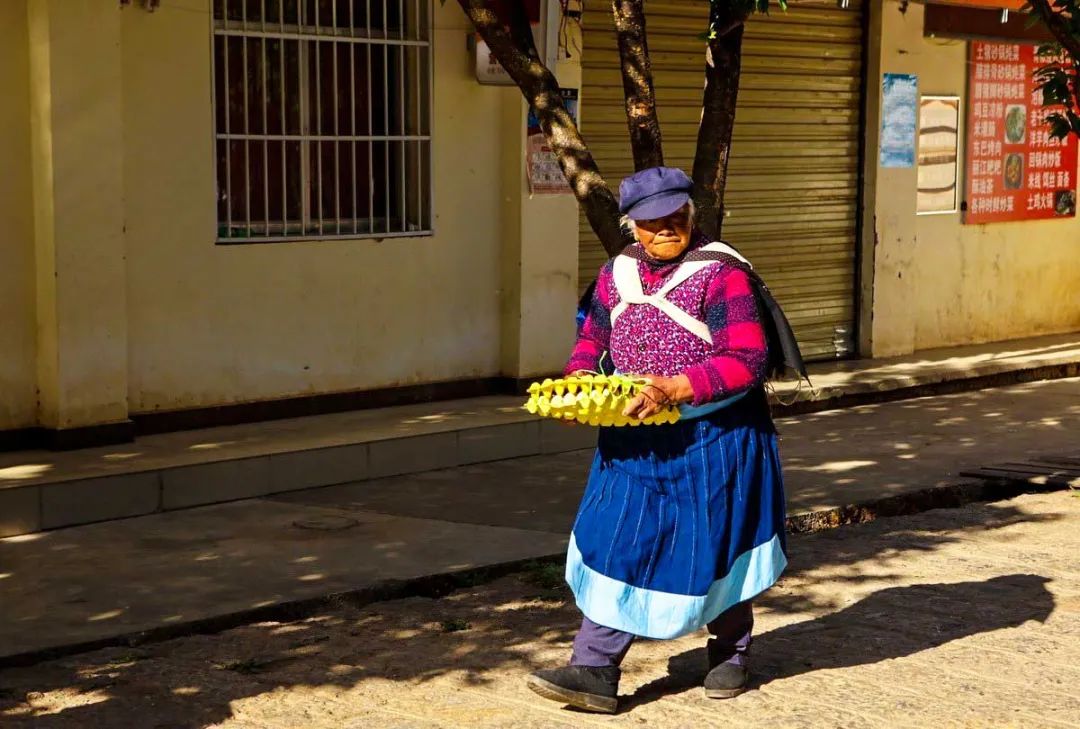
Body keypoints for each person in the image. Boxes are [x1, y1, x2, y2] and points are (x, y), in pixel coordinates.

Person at [526, 166, 788, 714]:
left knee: (716, 544)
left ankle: (730, 652)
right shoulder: (615, 272)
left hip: (714, 440)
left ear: (692, 216)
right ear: (632, 227)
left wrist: (679, 386)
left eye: (677, 216)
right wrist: (578, 386)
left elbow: (747, 358)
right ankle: (595, 669)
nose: (666, 227)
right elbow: (593, 338)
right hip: (633, 442)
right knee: (616, 538)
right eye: (652, 221)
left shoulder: (721, 274)